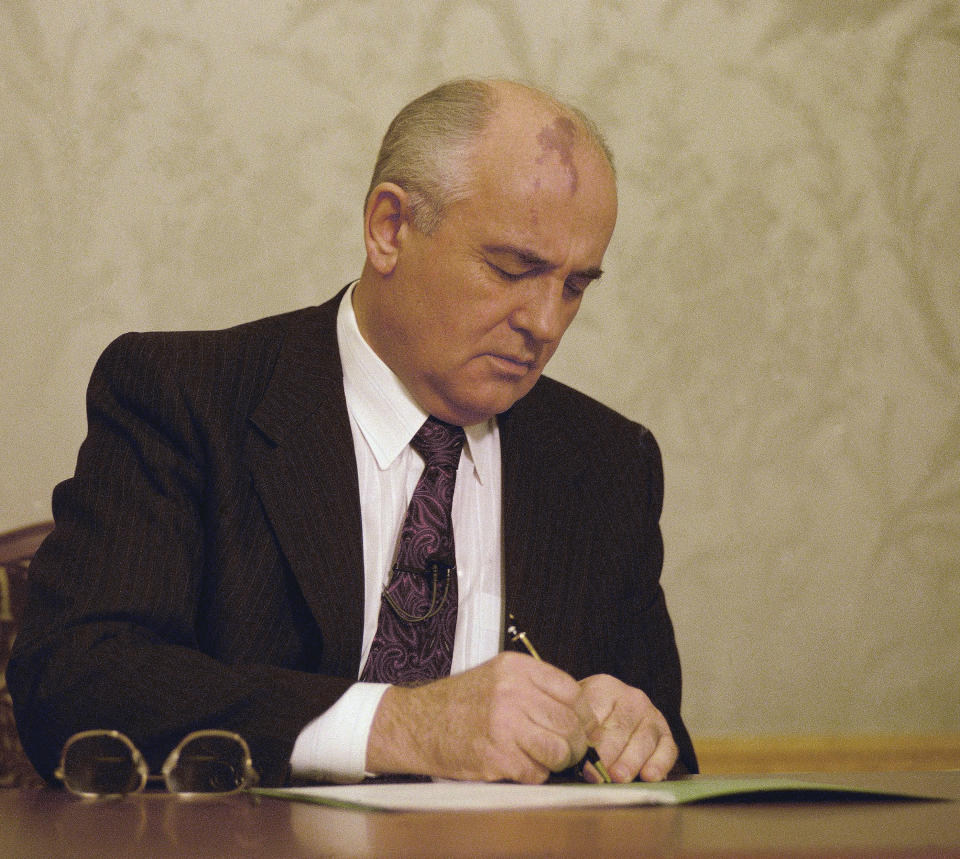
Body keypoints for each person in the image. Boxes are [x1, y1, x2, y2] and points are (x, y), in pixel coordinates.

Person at [9, 78, 697, 788]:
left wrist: (633, 736)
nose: (546, 323)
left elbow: (669, 757)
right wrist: (400, 725)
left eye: (575, 286)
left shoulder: (608, 464)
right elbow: (77, 682)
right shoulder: (186, 397)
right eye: (512, 269)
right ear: (389, 228)